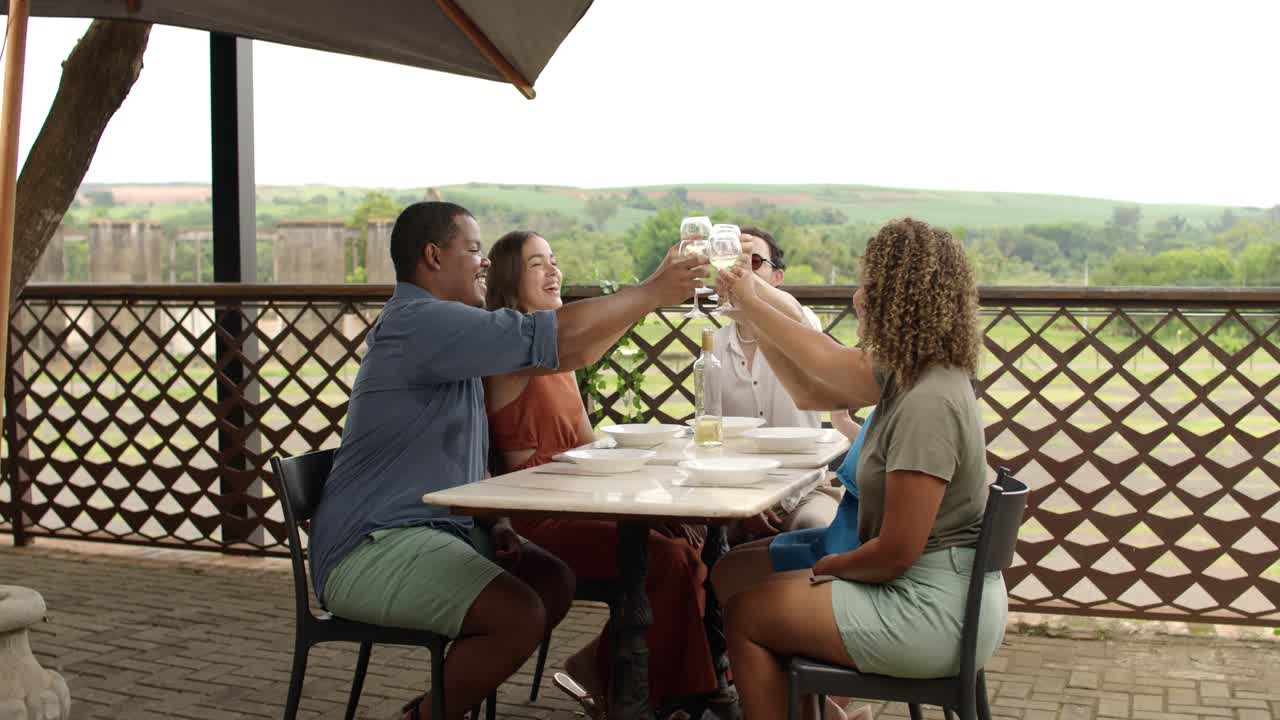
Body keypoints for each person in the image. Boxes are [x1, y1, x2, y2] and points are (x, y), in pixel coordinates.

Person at [307, 202, 707, 720]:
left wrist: (493, 518)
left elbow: (567, 355)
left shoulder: (452, 330)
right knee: (518, 615)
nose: (484, 263)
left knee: (551, 581)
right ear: (433, 256)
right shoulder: (421, 322)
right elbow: (556, 339)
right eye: (474, 249)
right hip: (372, 545)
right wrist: (652, 293)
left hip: (436, 530)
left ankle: (458, 696)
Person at [711, 218, 1006, 720]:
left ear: (901, 295)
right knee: (741, 582)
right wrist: (752, 312)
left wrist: (829, 568)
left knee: (747, 615)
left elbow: (895, 552)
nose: (857, 297)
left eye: (869, 284)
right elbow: (813, 385)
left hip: (932, 612)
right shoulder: (915, 371)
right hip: (933, 590)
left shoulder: (928, 402)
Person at [482, 230, 718, 719]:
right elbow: (581, 349)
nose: (553, 271)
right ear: (508, 282)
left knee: (689, 542)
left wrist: (661, 497)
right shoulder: (508, 352)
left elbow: (588, 446)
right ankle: (672, 694)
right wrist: (651, 292)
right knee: (667, 561)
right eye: (536, 264)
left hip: (581, 505)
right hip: (537, 521)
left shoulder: (560, 359)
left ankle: (619, 673)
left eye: (554, 260)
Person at [713, 226, 858, 541]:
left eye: (753, 263)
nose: (739, 273)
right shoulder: (712, 347)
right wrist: (744, 497)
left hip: (804, 491)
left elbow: (792, 313)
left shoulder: (804, 321)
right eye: (732, 264)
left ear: (776, 278)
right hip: (735, 492)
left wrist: (750, 292)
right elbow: (713, 437)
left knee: (819, 531)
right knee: (692, 537)